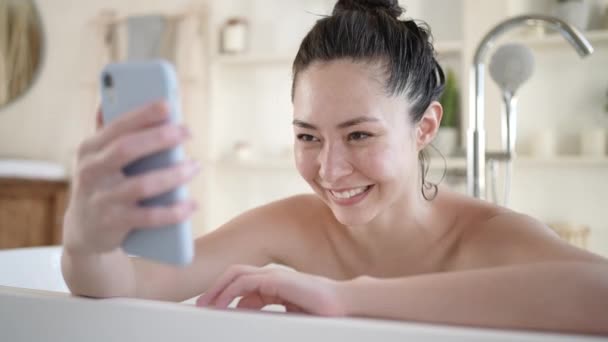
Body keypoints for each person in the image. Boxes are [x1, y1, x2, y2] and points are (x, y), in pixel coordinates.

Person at [61, 0, 608, 334]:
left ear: (424, 127)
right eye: (307, 136)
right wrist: (86, 242)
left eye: (359, 135)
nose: (330, 168)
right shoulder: (291, 225)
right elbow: (127, 283)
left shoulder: (484, 239)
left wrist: (347, 297)